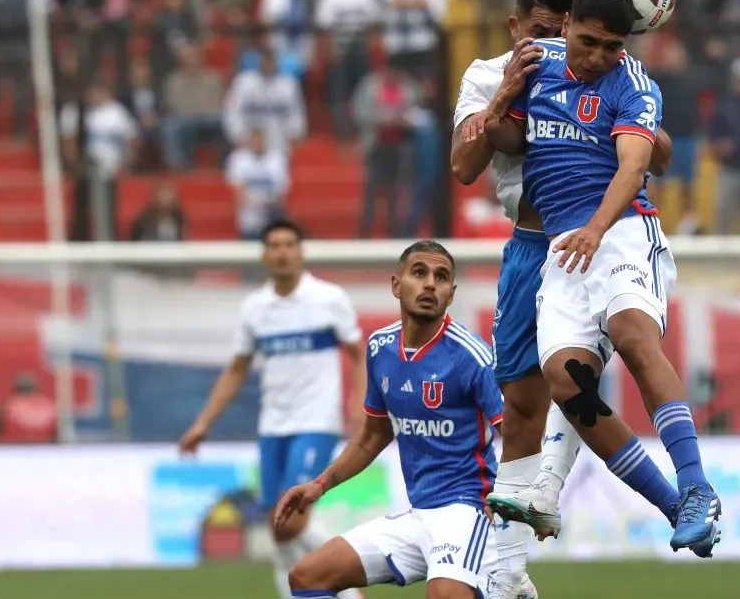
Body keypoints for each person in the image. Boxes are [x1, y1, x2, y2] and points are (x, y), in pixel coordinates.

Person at [451, 0, 689, 597]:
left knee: (572, 377)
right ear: (516, 26)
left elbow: (657, 156)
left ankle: (532, 526)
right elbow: (463, 166)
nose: (555, 44)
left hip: (591, 238)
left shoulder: (603, 69)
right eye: (542, 31)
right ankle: (509, 570)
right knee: (522, 404)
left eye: (566, 33)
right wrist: (505, 91)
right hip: (529, 247)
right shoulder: (487, 73)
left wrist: (632, 111)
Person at [275, 240, 503, 599]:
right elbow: (372, 436)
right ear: (396, 285)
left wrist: (512, 495)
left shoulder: (471, 355)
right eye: (419, 273)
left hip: (469, 511)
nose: (430, 284)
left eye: (441, 277)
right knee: (307, 576)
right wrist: (319, 485)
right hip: (418, 514)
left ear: (451, 293)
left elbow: (517, 431)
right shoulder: (380, 348)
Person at [178, 219, 366, 599]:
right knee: (278, 524)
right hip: (273, 426)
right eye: (275, 246)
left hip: (317, 421)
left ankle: (350, 581)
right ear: (264, 254)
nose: (282, 252)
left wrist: (360, 404)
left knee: (292, 519)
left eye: (289, 245)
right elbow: (237, 369)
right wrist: (202, 424)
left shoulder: (328, 298)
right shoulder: (255, 308)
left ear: (300, 252)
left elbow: (358, 355)